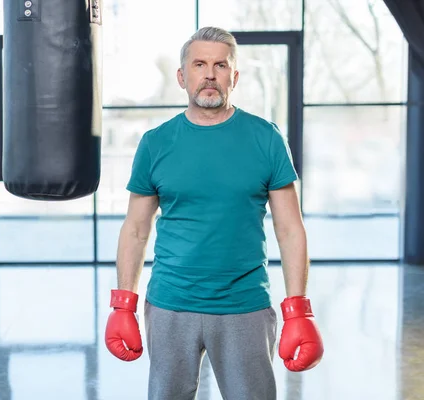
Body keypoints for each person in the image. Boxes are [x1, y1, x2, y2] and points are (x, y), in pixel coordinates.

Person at [104, 26, 324, 400]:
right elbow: (136, 229)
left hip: (245, 306)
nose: (209, 74)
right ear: (182, 76)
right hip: (171, 304)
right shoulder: (156, 143)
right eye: (199, 64)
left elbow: (289, 229)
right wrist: (124, 302)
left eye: (220, 65)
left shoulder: (266, 138)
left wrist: (298, 310)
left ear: (233, 77)